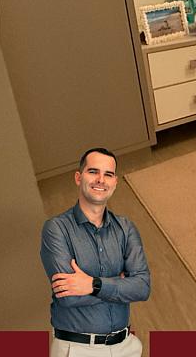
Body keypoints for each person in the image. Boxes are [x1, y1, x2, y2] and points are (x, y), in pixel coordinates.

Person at [40, 148, 150, 357]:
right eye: (93, 172)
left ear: (115, 182)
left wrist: (92, 284)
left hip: (126, 346)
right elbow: (68, 297)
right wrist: (120, 284)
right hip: (78, 349)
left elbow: (142, 288)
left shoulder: (125, 227)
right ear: (78, 177)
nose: (101, 179)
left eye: (108, 174)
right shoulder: (56, 229)